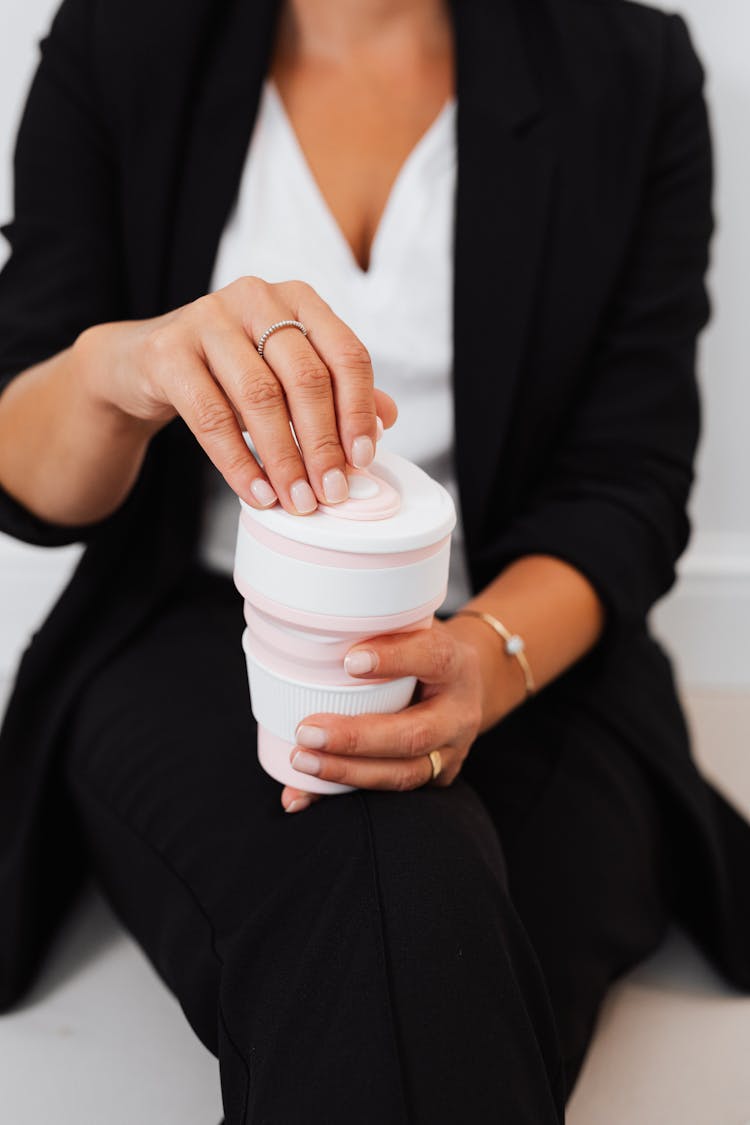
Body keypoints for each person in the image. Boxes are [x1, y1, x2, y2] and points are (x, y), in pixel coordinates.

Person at [0, 0, 748, 1120]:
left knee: (397, 970)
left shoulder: (625, 67)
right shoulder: (124, 36)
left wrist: (483, 665)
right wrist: (124, 368)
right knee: (392, 898)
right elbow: (24, 476)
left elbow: (626, 487)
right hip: (192, 626)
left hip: (525, 645)